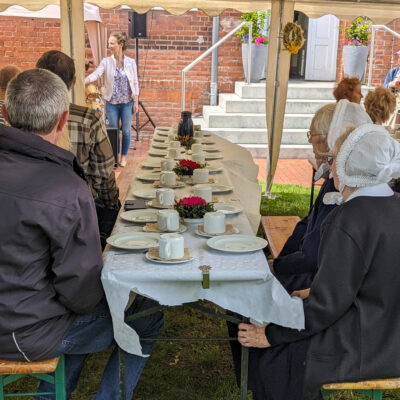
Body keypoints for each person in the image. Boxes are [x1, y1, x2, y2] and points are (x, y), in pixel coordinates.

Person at [0, 68, 163, 400]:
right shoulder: (67, 190)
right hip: (23, 333)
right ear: (62, 121)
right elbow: (82, 292)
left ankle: (49, 396)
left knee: (76, 309)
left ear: (5, 113)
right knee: (145, 314)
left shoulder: (63, 187)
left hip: (20, 318)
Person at [238, 123, 400, 400]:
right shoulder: (394, 203)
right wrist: (315, 292)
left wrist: (272, 335)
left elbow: (325, 309)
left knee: (275, 356)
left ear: (351, 165)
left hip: (367, 344)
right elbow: (376, 279)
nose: (331, 165)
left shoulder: (348, 219)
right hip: (390, 331)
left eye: (336, 158)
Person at [36, 50, 120, 247]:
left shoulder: (19, 116)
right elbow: (104, 175)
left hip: (28, 210)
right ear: (74, 81)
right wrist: (112, 208)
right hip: (78, 215)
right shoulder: (88, 118)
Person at [85, 32, 139, 168]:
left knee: (126, 130)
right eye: (109, 43)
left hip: (127, 103)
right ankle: (115, 157)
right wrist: (85, 80)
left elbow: (135, 82)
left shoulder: (131, 62)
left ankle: (124, 156)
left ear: (120, 45)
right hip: (112, 103)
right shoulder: (106, 62)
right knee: (113, 130)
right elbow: (97, 74)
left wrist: (136, 101)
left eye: (112, 43)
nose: (109, 46)